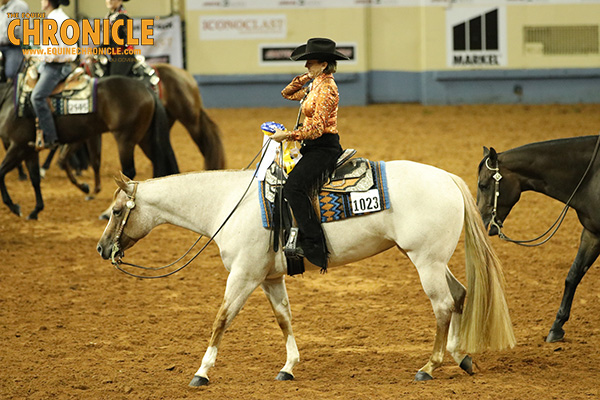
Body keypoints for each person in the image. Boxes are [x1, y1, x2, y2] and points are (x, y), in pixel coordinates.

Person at [270, 37, 349, 271]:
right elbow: (287, 92)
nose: (306, 66)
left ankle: (313, 243)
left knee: (294, 186)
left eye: (310, 62)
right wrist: (309, 76)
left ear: (324, 64)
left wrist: (288, 136)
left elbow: (316, 129)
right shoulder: (316, 84)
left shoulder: (328, 88)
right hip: (312, 146)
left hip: (324, 147)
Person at [30, 0, 77, 151]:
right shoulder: (60, 18)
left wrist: (37, 54)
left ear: (48, 2)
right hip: (56, 64)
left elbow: (53, 53)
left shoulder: (55, 21)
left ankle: (50, 138)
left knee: (37, 97)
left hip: (55, 67)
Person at [103, 0, 135, 76]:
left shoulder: (122, 16)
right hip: (114, 54)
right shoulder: (111, 16)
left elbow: (113, 40)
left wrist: (97, 50)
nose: (109, 0)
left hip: (123, 54)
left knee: (114, 80)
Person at [0, 0, 29, 81]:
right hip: (3, 45)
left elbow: (16, 31)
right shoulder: (3, 8)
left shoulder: (18, 6)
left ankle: (11, 90)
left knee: (11, 73)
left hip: (15, 45)